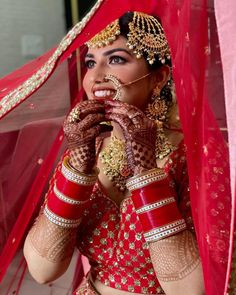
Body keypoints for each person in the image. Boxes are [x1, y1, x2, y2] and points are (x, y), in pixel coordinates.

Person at [23, 11, 205, 295]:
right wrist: (77, 171)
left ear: (158, 78)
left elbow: (193, 290)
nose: (96, 77)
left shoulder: (193, 157)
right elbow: (42, 270)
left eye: (116, 59)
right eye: (90, 62)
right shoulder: (88, 151)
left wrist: (146, 172)